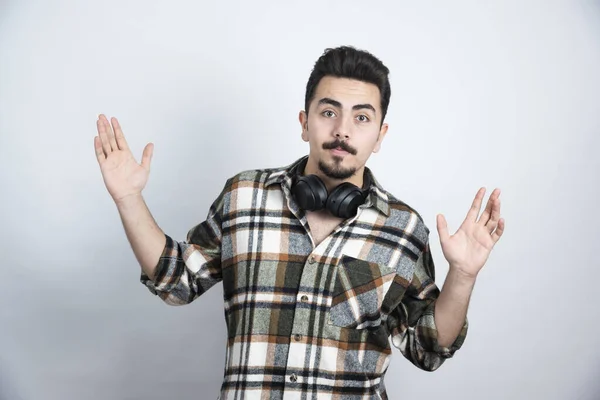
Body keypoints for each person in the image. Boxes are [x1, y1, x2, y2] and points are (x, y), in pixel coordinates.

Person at [94, 46, 504, 399]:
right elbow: (176, 281)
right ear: (304, 122)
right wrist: (129, 199)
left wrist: (463, 276)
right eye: (329, 112)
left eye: (361, 118)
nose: (342, 130)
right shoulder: (243, 197)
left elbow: (427, 346)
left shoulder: (403, 228)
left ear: (380, 136)